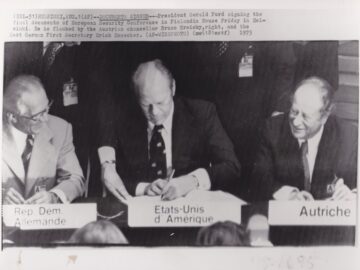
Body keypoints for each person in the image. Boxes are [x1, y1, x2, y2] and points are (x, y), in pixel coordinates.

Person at [98, 59, 241, 201]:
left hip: (190, 209)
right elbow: (116, 178)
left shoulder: (201, 113)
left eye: (161, 102)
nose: (154, 112)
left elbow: (231, 166)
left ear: (173, 88)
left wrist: (192, 181)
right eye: (146, 104)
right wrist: (145, 188)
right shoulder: (125, 121)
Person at [251, 76, 357, 201]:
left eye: (306, 117)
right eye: (294, 112)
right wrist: (289, 195)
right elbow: (260, 177)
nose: (296, 122)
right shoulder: (273, 129)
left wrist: (352, 195)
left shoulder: (348, 136)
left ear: (324, 117)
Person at [2, 75, 85, 204]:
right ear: (12, 117)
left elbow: (75, 179)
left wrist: (54, 196)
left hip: (45, 221)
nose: (46, 119)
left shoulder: (61, 129)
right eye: (37, 116)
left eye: (46, 109)